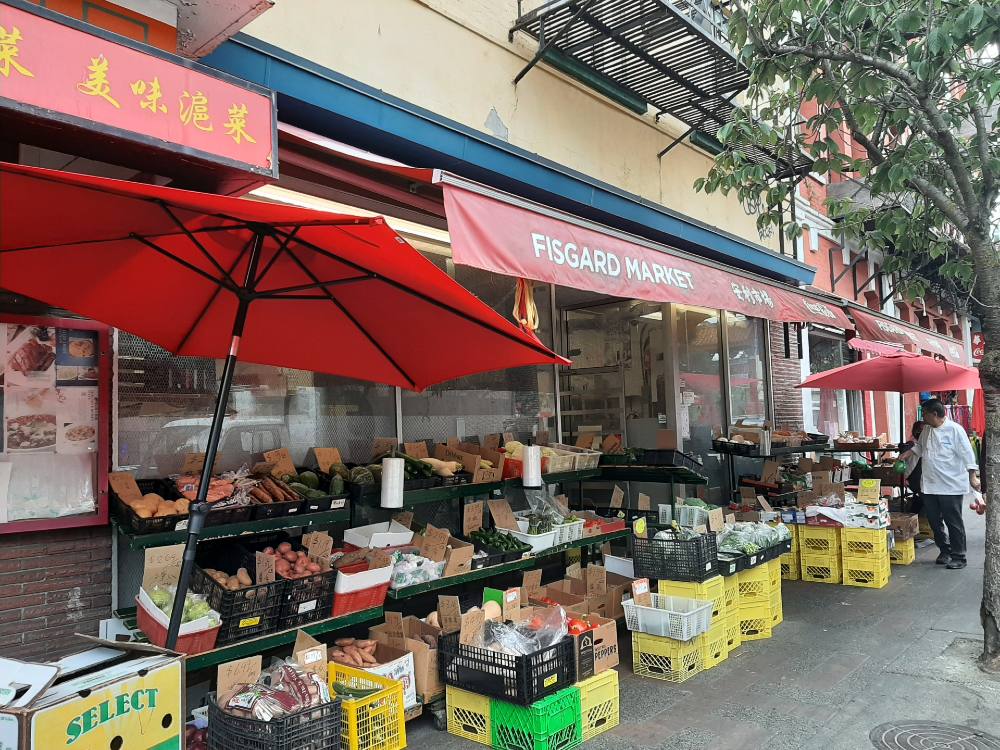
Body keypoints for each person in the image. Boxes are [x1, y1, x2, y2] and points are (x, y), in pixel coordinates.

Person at [899, 399, 980, 569]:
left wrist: (973, 477)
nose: (923, 418)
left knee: (953, 522)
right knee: (935, 521)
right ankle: (945, 550)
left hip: (951, 485)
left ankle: (959, 556)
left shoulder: (956, 430)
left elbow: (968, 456)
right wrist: (907, 454)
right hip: (929, 484)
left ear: (934, 414)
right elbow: (920, 448)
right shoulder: (927, 429)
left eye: (925, 414)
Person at [900, 420, 924, 514]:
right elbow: (902, 463)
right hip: (915, 480)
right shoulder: (910, 445)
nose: (921, 433)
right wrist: (904, 478)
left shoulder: (927, 444)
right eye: (919, 430)